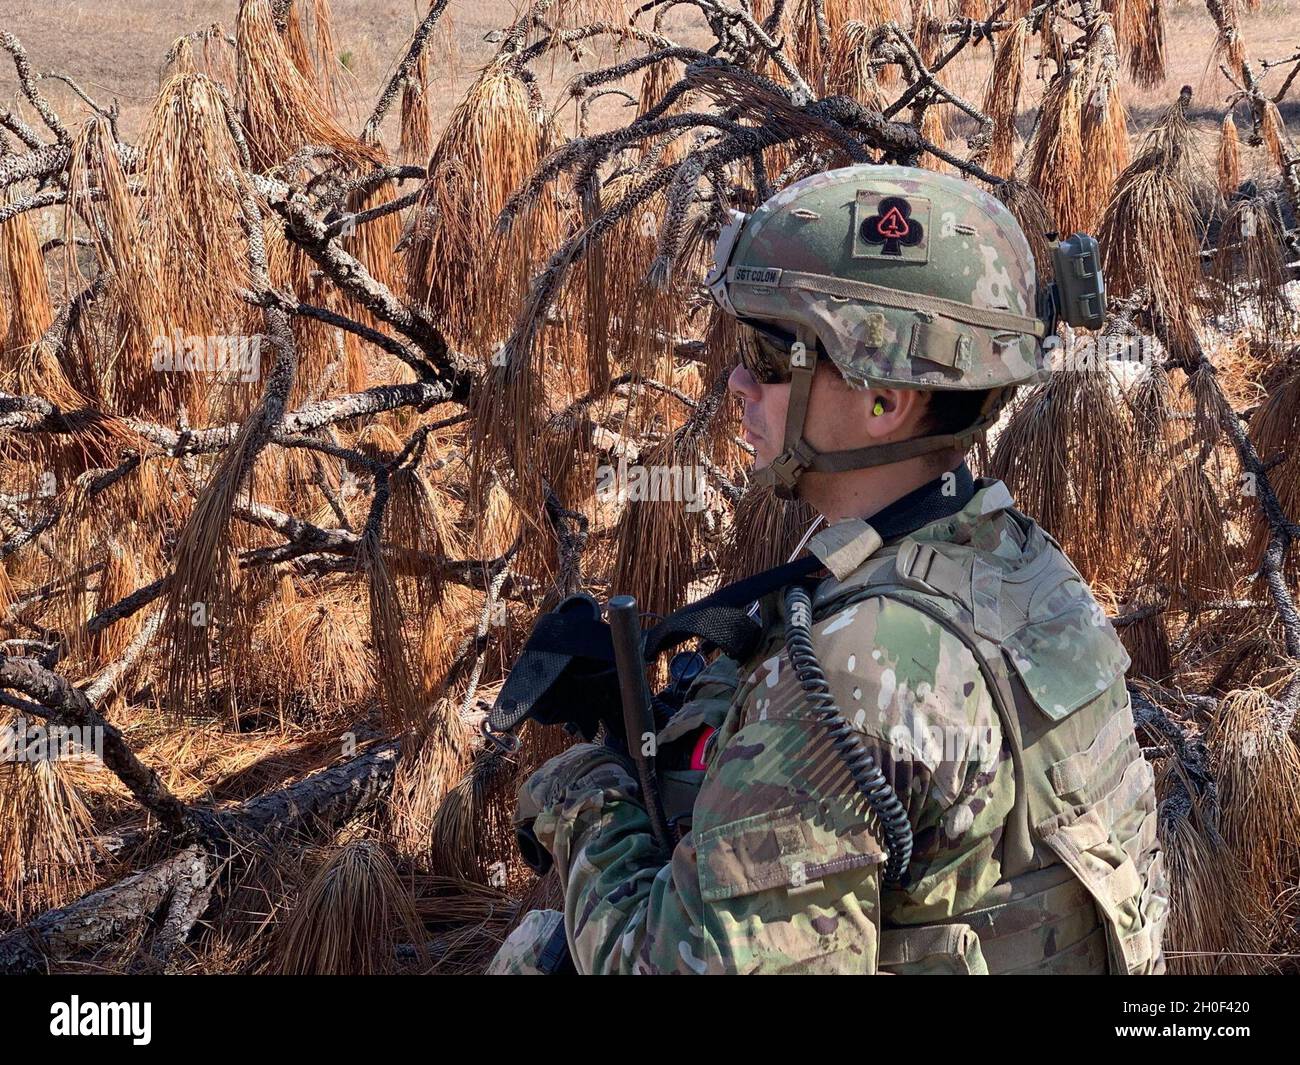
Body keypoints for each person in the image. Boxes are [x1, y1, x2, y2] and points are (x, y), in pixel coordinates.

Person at [487, 164, 1168, 975]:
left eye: (768, 354)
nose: (736, 381)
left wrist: (587, 797)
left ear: (884, 398)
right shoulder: (1011, 557)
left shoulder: (850, 672)